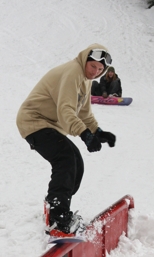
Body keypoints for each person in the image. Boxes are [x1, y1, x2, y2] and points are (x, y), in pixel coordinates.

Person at [16, 44, 117, 236]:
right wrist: (85, 135)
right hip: (34, 121)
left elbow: (85, 113)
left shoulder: (85, 79)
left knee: (76, 162)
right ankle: (57, 218)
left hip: (48, 124)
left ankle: (59, 208)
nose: (95, 72)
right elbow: (66, 110)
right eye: (93, 66)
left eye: (100, 70)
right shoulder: (73, 73)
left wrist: (98, 132)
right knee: (65, 159)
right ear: (85, 59)